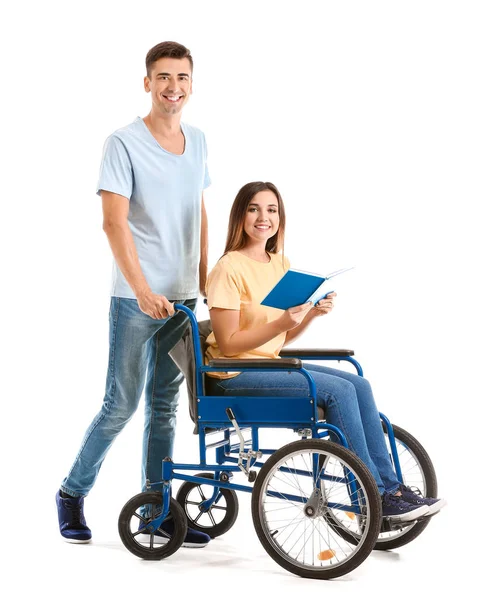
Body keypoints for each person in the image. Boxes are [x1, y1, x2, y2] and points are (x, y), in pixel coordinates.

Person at [204, 181, 446, 523]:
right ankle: (373, 494)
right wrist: (281, 323)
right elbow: (228, 344)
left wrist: (310, 315)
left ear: (280, 218)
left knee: (359, 385)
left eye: (272, 210)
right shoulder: (228, 268)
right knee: (339, 391)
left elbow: (279, 338)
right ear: (240, 216)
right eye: (254, 209)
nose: (264, 217)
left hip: (266, 363)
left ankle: (391, 489)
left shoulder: (279, 263)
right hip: (231, 374)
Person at [56, 42, 211, 548]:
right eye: (163, 77)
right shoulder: (122, 143)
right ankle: (71, 493)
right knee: (120, 404)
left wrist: (205, 278)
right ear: (147, 83)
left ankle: (157, 510)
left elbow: (199, 212)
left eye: (182, 77)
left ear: (192, 83)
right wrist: (142, 290)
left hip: (183, 299)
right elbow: (113, 222)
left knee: (164, 406)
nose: (173, 87)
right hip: (135, 299)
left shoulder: (200, 141)